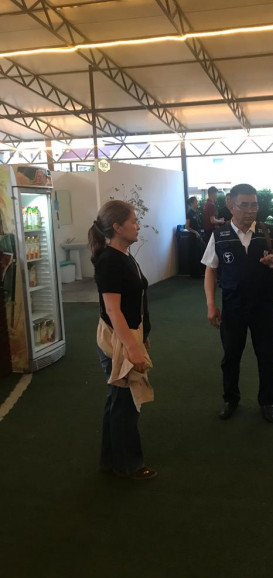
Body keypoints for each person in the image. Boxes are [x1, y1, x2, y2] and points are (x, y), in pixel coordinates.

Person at [202, 183, 273, 422]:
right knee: (231, 356)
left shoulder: (267, 232)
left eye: (255, 205)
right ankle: (230, 399)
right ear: (231, 204)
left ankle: (267, 401)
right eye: (245, 205)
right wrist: (211, 304)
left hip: (263, 305)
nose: (251, 210)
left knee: (267, 356)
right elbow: (210, 269)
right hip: (233, 306)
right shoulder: (219, 235)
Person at [88, 200, 157, 480]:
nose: (138, 225)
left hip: (129, 334)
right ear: (117, 227)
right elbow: (113, 310)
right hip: (117, 340)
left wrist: (142, 337)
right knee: (125, 405)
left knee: (118, 402)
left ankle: (111, 460)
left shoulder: (124, 255)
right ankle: (128, 465)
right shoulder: (110, 261)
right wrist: (131, 347)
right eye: (133, 221)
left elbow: (133, 302)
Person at [185, 196, 205, 278]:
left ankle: (199, 272)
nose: (197, 203)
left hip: (199, 235)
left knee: (199, 253)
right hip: (193, 237)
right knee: (194, 254)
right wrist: (195, 232)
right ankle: (194, 274)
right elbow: (187, 226)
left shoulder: (197, 212)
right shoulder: (189, 213)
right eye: (196, 201)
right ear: (192, 203)